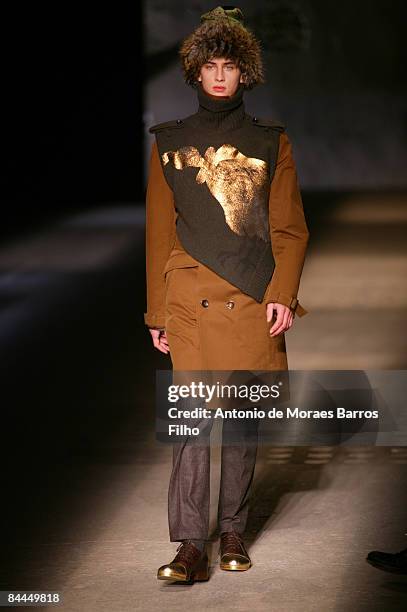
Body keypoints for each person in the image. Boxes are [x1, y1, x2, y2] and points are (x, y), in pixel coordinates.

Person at [144, 6, 309, 583]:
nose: (220, 76)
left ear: (246, 74)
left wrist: (283, 294)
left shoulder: (270, 142)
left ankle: (233, 531)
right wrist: (156, 311)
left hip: (249, 291)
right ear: (194, 72)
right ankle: (191, 544)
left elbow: (289, 228)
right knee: (191, 425)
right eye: (210, 65)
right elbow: (159, 233)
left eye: (230, 66)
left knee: (239, 424)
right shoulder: (169, 143)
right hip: (188, 298)